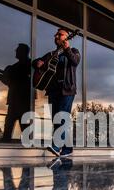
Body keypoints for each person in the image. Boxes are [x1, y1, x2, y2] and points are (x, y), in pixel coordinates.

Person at [32, 28, 80, 157]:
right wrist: (37, 62)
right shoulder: (51, 54)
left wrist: (67, 49)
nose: (56, 36)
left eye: (60, 34)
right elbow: (34, 62)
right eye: (56, 34)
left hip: (67, 90)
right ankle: (67, 149)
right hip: (53, 90)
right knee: (56, 120)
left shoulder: (74, 51)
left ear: (67, 37)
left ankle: (56, 145)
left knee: (62, 118)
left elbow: (75, 61)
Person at [0, 43, 31, 141]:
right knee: (10, 128)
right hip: (15, 102)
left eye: (17, 49)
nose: (15, 50)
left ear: (23, 52)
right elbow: (6, 79)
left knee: (23, 130)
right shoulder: (15, 67)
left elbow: (6, 79)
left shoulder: (29, 65)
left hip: (23, 102)